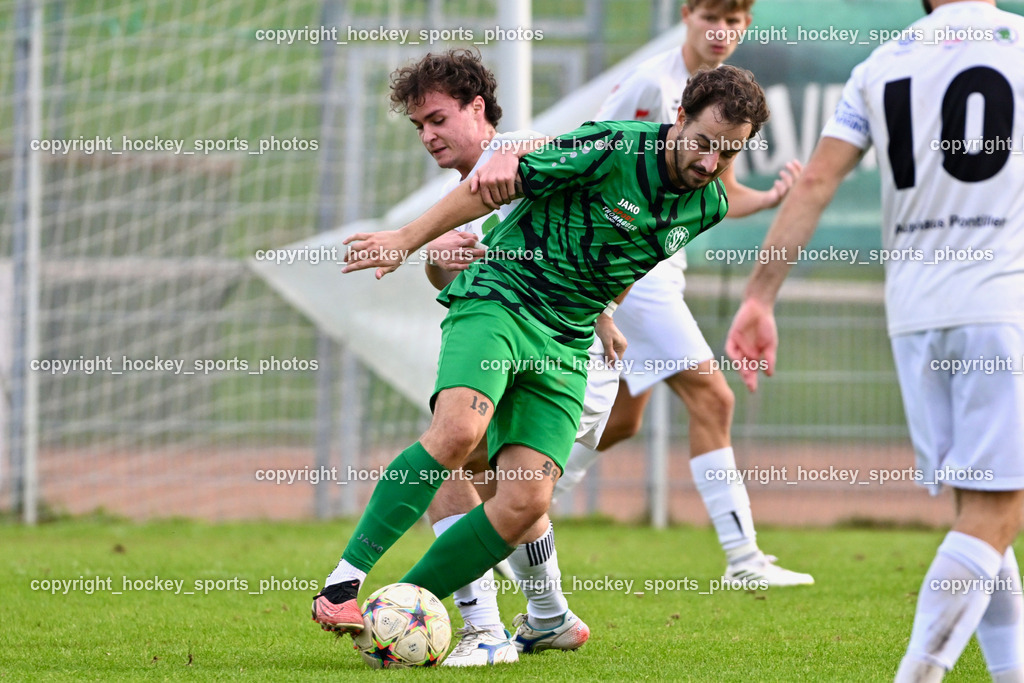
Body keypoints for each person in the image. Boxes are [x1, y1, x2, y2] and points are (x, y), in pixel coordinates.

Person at [312, 66, 771, 658]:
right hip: (502, 298)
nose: (711, 162)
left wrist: (605, 310)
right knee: (458, 434)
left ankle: (405, 610)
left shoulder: (706, 206)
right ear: (678, 118)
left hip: (568, 339)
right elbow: (497, 180)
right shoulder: (614, 147)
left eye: (728, 152)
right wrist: (406, 240)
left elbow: (631, 255)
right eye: (704, 142)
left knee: (527, 499)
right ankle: (344, 583)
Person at [723, 1, 1024, 679]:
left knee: (978, 507)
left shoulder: (881, 64)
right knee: (998, 512)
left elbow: (818, 182)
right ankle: (917, 672)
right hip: (1001, 304)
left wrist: (758, 296)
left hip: (916, 315)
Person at [554, 0, 812, 587]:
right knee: (713, 398)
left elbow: (720, 194)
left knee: (619, 422)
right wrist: (597, 272)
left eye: (737, 22)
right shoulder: (651, 83)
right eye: (711, 18)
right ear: (687, 15)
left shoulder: (723, 103)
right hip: (630, 270)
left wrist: (771, 198)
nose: (723, 32)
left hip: (659, 268)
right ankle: (743, 561)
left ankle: (510, 504)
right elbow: (588, 153)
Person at [380, 48, 620, 664]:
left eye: (436, 118)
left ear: (477, 107)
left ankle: (486, 632)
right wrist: (441, 260)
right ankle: (548, 618)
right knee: (494, 483)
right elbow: (456, 279)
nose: (428, 135)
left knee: (453, 463)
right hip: (534, 351)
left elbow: (608, 232)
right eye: (419, 127)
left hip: (567, 358)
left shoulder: (518, 156)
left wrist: (605, 310)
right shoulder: (467, 187)